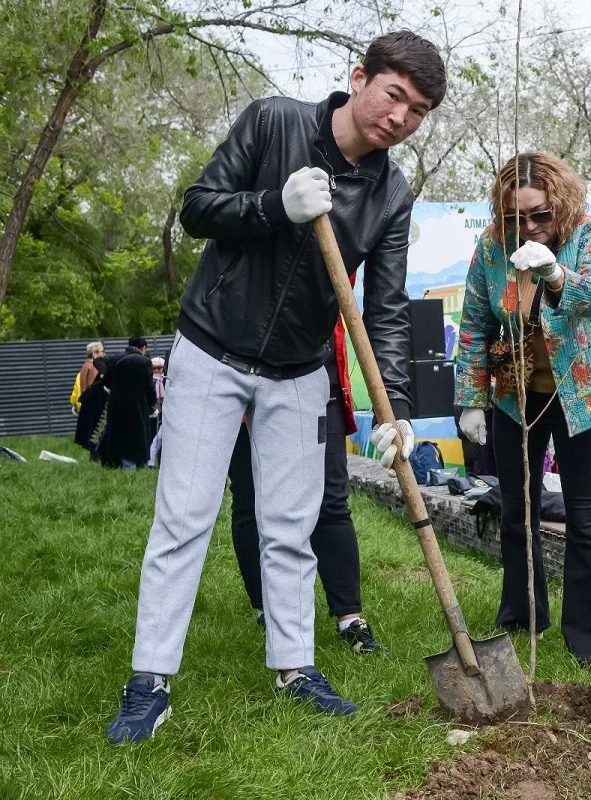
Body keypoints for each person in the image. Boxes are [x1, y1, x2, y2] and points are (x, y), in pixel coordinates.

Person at [105, 31, 445, 745]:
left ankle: (295, 670)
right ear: (359, 78)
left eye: (417, 112)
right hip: (212, 347)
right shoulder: (275, 121)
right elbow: (199, 207)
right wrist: (271, 205)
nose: (400, 119)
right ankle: (149, 681)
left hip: (299, 370)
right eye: (394, 96)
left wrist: (399, 410)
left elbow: (383, 310)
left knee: (292, 528)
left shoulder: (391, 193)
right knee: (184, 517)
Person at [453, 152, 591, 664]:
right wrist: (470, 400)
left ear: (561, 204)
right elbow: (475, 322)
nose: (529, 226)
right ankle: (523, 617)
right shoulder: (490, 248)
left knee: (585, 519)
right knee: (516, 512)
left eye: (540, 214)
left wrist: (554, 274)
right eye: (515, 217)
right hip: (514, 397)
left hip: (583, 401)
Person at [229, 322, 385, 654]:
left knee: (331, 499)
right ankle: (265, 609)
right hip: (248, 377)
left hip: (321, 377)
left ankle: (350, 619)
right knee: (249, 500)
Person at [97, 336, 156, 469]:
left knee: (119, 434)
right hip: (138, 405)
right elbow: (149, 386)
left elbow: (106, 381)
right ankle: (140, 466)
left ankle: (121, 465)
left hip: (116, 404)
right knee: (139, 436)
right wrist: (152, 403)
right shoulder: (145, 362)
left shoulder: (114, 358)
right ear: (143, 348)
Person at [70, 341, 105, 412]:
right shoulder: (95, 366)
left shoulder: (85, 365)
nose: (104, 354)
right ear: (94, 354)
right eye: (102, 351)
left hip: (85, 404)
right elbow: (94, 387)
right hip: (94, 406)